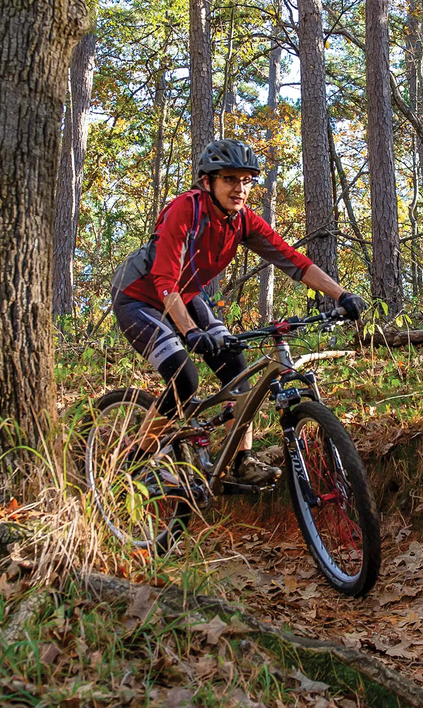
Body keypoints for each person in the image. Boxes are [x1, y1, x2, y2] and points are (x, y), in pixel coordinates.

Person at [111, 139, 367, 486]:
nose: (240, 188)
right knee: (184, 377)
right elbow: (165, 279)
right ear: (207, 182)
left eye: (247, 180)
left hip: (184, 295)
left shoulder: (242, 221)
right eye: (230, 179)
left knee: (237, 368)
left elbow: (293, 260)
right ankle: (130, 460)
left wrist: (342, 294)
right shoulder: (186, 210)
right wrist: (189, 332)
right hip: (139, 297)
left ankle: (242, 460)